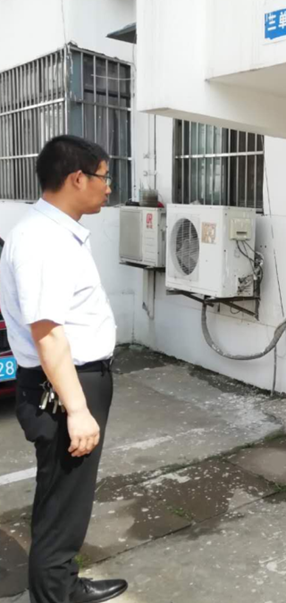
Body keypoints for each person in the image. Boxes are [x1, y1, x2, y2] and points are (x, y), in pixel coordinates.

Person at [0, 136, 127, 602]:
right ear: (77, 178)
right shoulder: (44, 240)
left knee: (65, 498)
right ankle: (54, 594)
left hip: (69, 382)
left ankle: (60, 585)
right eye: (104, 177)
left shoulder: (53, 232)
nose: (108, 187)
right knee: (63, 502)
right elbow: (48, 333)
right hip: (62, 388)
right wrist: (77, 409)